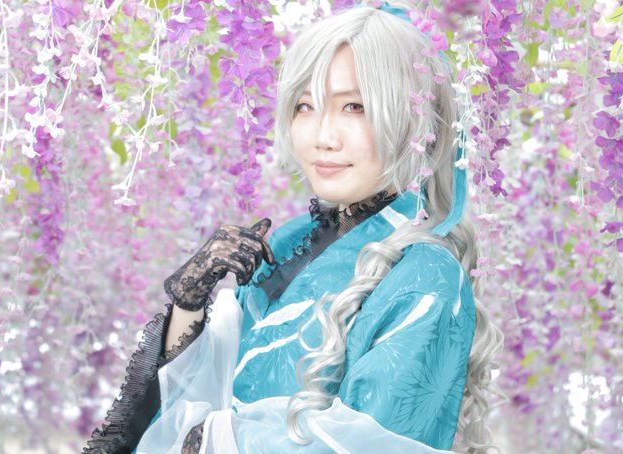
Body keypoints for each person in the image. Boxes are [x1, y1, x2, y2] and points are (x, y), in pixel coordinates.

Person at [83, 1, 504, 453]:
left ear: (416, 120)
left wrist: (212, 439)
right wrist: (189, 304)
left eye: (354, 107)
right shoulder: (289, 242)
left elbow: (373, 442)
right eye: (305, 106)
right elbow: (201, 397)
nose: (323, 137)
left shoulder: (427, 274)